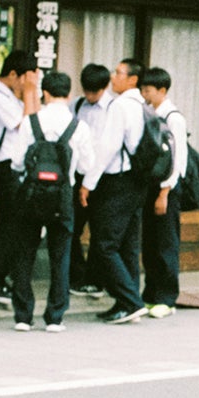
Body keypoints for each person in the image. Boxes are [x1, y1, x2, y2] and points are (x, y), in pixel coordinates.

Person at [10, 71, 92, 332]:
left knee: (24, 252)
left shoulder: (30, 122)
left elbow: (17, 162)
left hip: (32, 194)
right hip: (62, 196)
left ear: (44, 93)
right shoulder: (79, 126)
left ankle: (23, 316)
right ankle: (55, 316)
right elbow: (88, 165)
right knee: (61, 254)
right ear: (68, 95)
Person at [79, 58, 148, 324]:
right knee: (128, 245)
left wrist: (88, 183)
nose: (113, 77)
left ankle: (131, 301)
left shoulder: (120, 106)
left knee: (105, 245)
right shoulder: (142, 105)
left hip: (117, 182)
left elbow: (107, 147)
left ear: (132, 79)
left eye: (118, 73)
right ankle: (125, 302)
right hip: (136, 182)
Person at [0, 53, 41, 305]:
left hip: (20, 169)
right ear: (13, 74)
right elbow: (24, 125)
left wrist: (31, 91)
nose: (27, 84)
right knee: (10, 226)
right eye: (26, 78)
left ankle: (5, 277)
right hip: (8, 169)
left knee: (17, 226)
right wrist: (28, 93)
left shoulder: (10, 97)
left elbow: (35, 122)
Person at [138, 67, 188, 319]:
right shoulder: (151, 113)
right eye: (143, 90)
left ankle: (167, 298)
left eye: (148, 90)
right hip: (150, 186)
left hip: (166, 187)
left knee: (165, 243)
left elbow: (178, 160)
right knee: (150, 242)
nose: (145, 94)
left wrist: (165, 192)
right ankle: (151, 293)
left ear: (162, 91)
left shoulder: (173, 118)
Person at [69, 63, 113, 298]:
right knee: (72, 227)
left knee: (100, 230)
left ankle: (95, 280)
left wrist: (91, 182)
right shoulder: (76, 105)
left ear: (105, 87)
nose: (89, 96)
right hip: (78, 175)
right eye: (86, 90)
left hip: (104, 176)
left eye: (94, 92)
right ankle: (76, 276)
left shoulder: (114, 108)